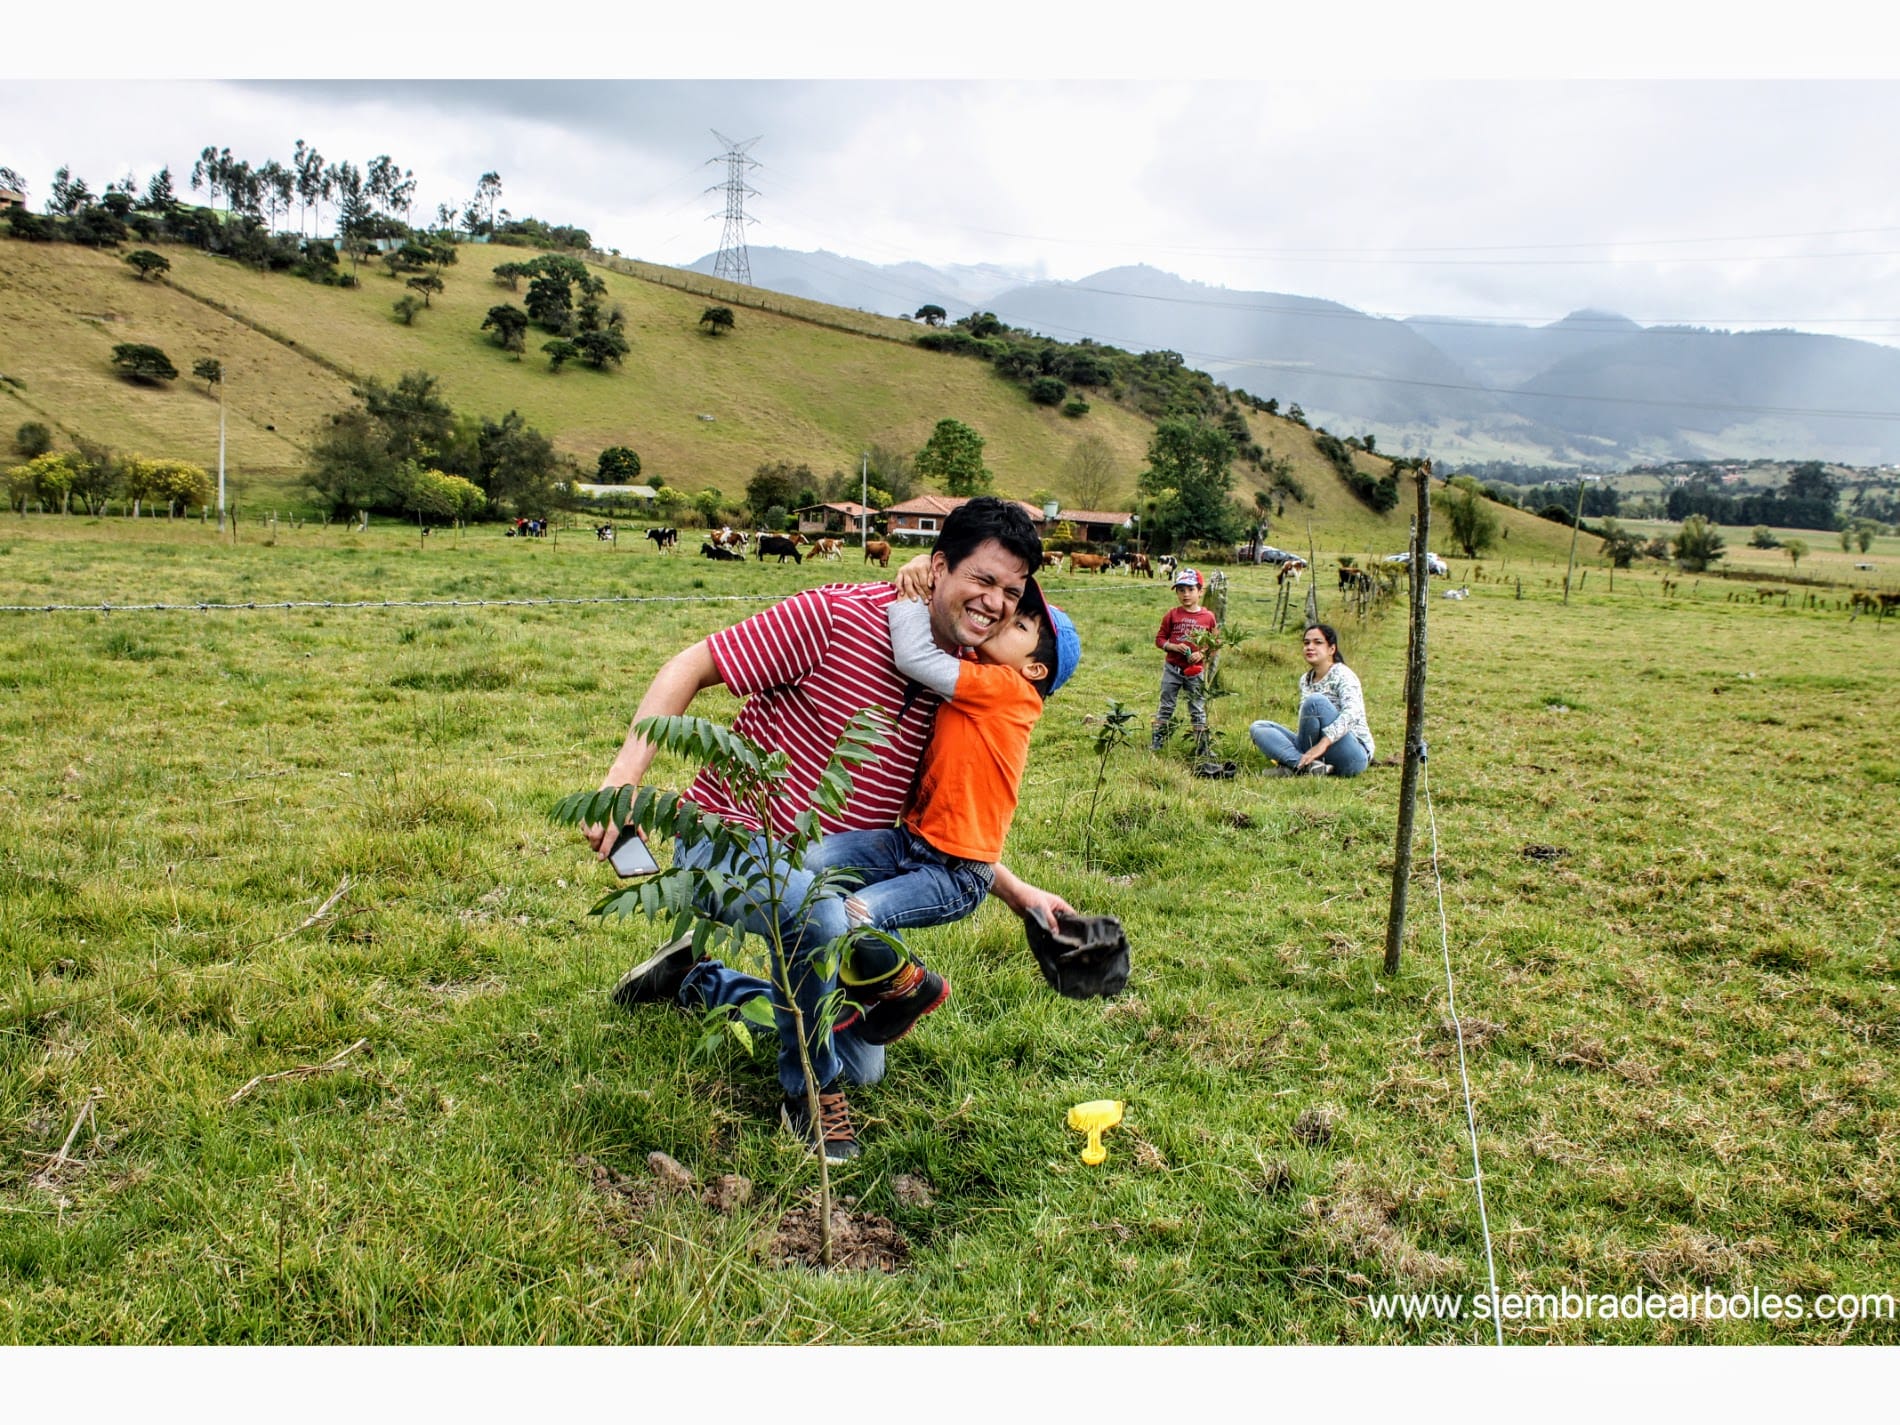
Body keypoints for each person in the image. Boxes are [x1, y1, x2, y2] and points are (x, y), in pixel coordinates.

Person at [583, 496, 1074, 1164]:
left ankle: (696, 981)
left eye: (1011, 593)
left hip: (833, 866)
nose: (994, 603)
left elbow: (946, 828)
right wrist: (623, 777)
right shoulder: (837, 615)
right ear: (938, 568)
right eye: (982, 580)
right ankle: (807, 1093)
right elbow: (691, 664)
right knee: (819, 920)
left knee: (860, 1056)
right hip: (731, 841)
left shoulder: (968, 686)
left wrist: (1016, 892)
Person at [807, 570, 1081, 1049]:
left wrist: (912, 594)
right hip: (910, 840)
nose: (1004, 617)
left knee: (855, 916)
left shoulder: (1009, 689)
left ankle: (911, 987)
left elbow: (914, 655)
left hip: (955, 873)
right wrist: (926, 568)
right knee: (806, 865)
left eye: (1020, 626)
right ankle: (847, 991)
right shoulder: (981, 668)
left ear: (1034, 670)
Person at [1248, 622, 1374, 777]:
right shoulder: (1305, 680)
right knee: (1259, 727)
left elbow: (1352, 714)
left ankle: (1292, 766)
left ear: (1331, 649)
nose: (1310, 647)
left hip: (1352, 753)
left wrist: (1322, 744)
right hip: (1316, 751)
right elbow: (1307, 727)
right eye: (1306, 643)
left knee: (1315, 702)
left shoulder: (1343, 675)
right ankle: (1306, 766)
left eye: (1318, 642)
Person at [1151, 567, 1218, 753]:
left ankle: (1202, 746)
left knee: (1197, 706)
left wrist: (1203, 654)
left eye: (1190, 589)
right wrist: (1172, 646)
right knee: (1166, 705)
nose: (1186, 594)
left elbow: (1214, 644)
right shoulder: (1172, 615)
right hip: (1173, 668)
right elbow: (1160, 639)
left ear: (1200, 591)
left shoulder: (1208, 617)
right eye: (1181, 590)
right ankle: (1157, 741)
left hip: (1195, 670)